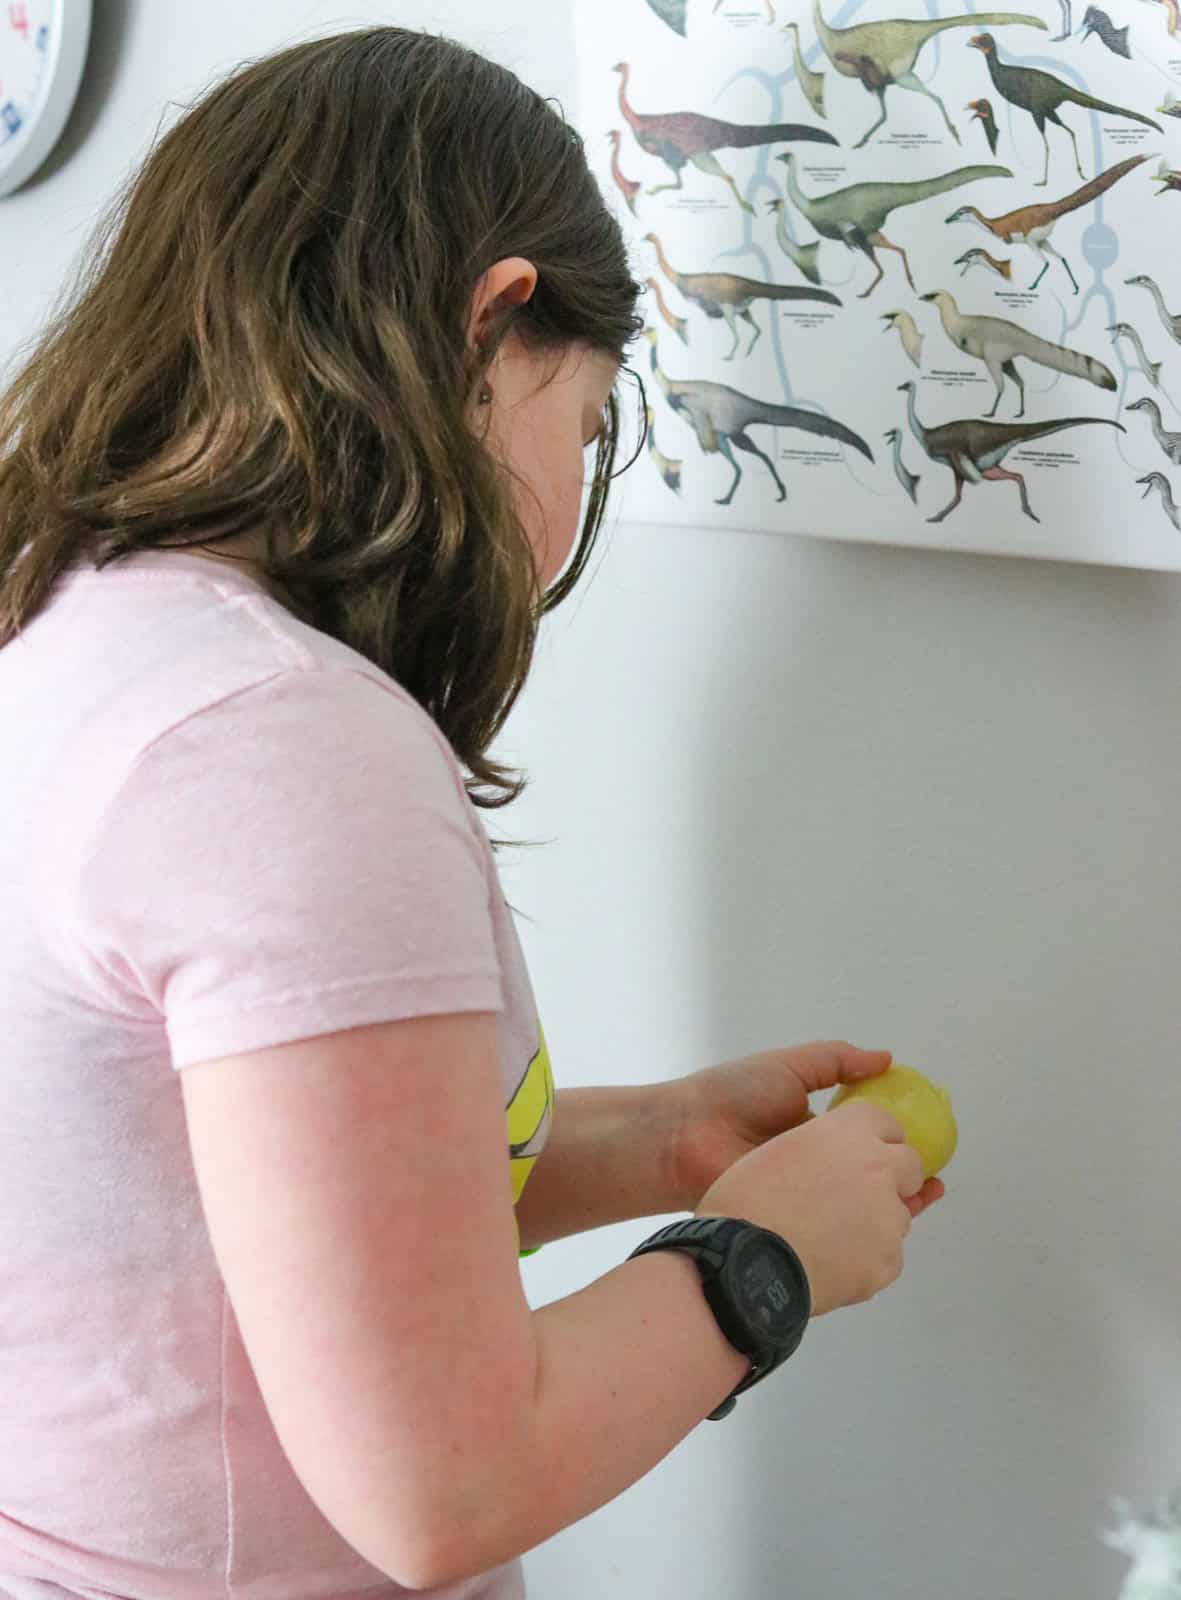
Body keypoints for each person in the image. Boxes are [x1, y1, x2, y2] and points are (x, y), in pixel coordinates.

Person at [0, 25, 944, 1600]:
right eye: (584, 425)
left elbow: (210, 1201)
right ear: (493, 319)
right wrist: (756, 1263)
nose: (569, 497)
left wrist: (654, 1143)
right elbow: (440, 1486)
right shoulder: (277, 740)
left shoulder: (70, 636)